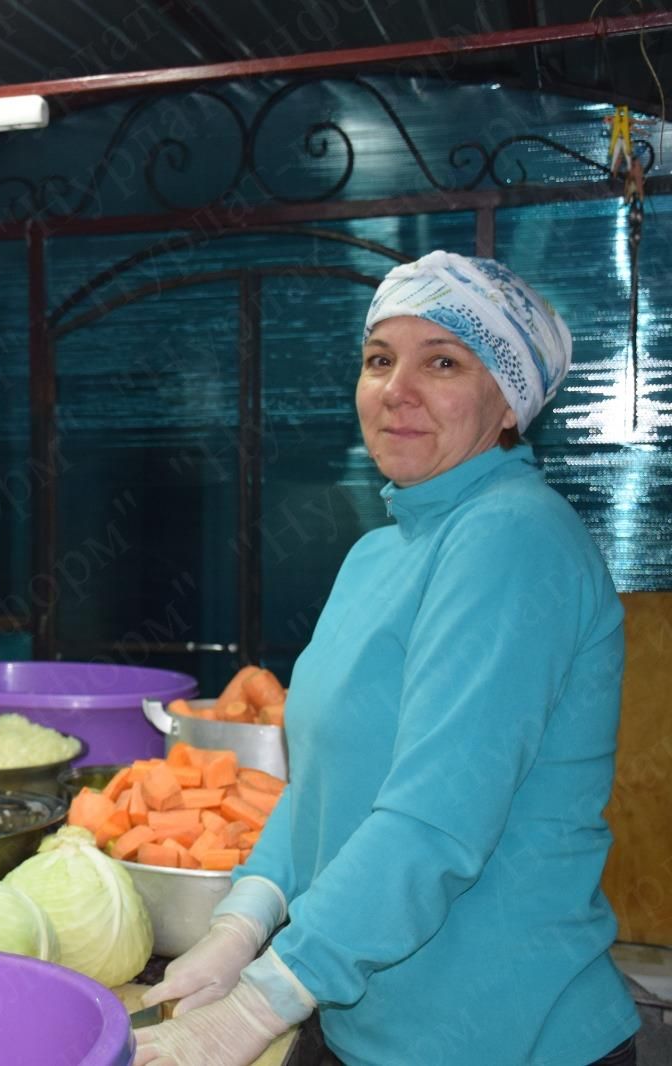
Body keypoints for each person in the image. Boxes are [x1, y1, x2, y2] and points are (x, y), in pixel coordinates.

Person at [134, 252, 640, 1066]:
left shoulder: (514, 535)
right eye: (379, 360)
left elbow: (434, 820)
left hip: (502, 1037)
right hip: (358, 1021)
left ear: (508, 402)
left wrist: (257, 1007)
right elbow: (326, 783)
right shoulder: (379, 553)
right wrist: (243, 922)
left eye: (442, 361)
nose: (395, 389)